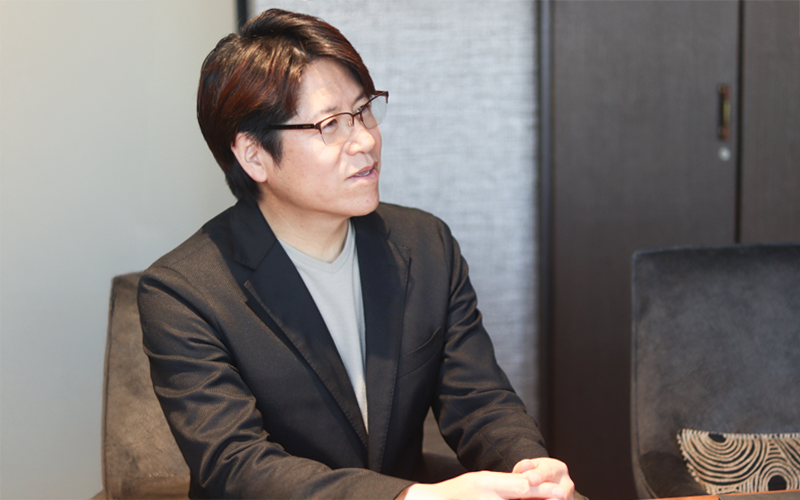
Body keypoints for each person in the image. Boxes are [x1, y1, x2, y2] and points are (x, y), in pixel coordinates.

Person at [138, 8, 575, 500]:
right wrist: (413, 497)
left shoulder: (424, 245)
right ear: (254, 155)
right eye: (330, 125)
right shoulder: (183, 293)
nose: (365, 140)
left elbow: (478, 400)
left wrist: (528, 469)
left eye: (364, 110)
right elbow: (238, 467)